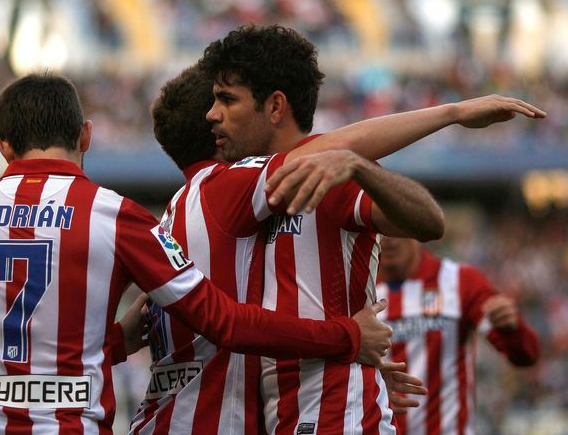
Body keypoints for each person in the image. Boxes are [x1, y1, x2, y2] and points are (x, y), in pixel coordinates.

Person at [136, 24, 545, 435]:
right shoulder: (245, 191)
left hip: (336, 410)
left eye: (226, 99)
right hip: (286, 409)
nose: (214, 116)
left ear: (274, 107)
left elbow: (429, 223)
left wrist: (361, 166)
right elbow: (239, 321)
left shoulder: (329, 175)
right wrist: (348, 339)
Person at [0, 73, 394, 435]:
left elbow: (29, 357)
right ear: (86, 135)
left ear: (2, 146)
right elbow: (226, 323)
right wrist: (347, 336)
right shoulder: (114, 215)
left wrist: (119, 338)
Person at [376, 237, 540, 434]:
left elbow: (526, 355)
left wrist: (512, 329)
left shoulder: (458, 281)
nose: (389, 239)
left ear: (415, 227)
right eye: (380, 230)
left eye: (397, 227)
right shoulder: (357, 290)